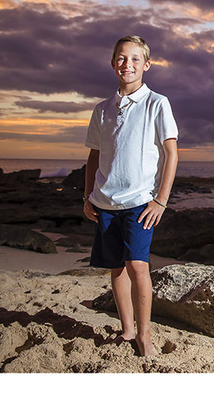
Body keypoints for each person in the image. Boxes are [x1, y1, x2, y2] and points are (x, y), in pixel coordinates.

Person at [82, 35, 178, 357]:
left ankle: (145, 335)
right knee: (117, 267)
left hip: (140, 201)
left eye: (136, 59)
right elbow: (94, 156)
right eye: (122, 58)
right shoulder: (102, 109)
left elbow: (171, 155)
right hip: (105, 201)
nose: (128, 65)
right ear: (113, 64)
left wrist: (160, 200)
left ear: (146, 65)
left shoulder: (157, 103)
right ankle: (126, 329)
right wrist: (87, 195)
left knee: (138, 265)